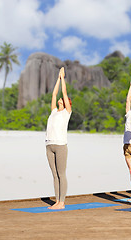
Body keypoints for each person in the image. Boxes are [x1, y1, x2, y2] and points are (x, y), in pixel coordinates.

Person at [45, 67, 72, 210]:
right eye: (61, 99)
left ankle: (62, 202)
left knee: (61, 173)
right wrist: (58, 78)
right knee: (54, 175)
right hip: (49, 145)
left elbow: (64, 92)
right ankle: (57, 201)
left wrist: (63, 79)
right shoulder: (54, 111)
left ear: (68, 103)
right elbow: (54, 94)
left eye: (64, 99)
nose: (61, 99)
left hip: (61, 145)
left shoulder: (66, 113)